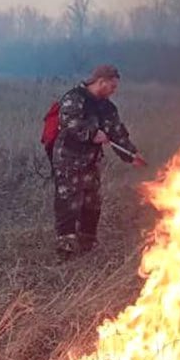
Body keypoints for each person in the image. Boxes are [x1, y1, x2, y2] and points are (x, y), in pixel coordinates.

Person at [51, 64, 145, 258]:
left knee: (92, 203)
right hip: (68, 161)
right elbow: (69, 124)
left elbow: (117, 134)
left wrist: (132, 155)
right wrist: (92, 133)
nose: (114, 91)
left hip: (90, 163)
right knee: (69, 203)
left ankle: (87, 244)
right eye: (112, 86)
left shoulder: (107, 107)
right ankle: (66, 249)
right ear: (101, 82)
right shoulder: (74, 98)